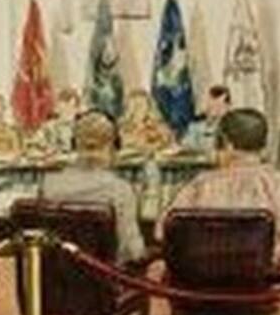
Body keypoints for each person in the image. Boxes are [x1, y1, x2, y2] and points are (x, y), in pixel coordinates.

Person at [157, 108, 280, 254]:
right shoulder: (278, 183)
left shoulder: (201, 184)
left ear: (228, 144)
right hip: (266, 267)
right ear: (264, 144)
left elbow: (160, 232)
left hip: (203, 267)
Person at [41, 110, 146, 263]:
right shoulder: (120, 190)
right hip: (104, 276)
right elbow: (133, 253)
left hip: (57, 276)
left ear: (74, 144)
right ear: (114, 146)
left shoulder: (49, 185)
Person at [119, 89, 173, 153]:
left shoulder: (155, 122)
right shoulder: (125, 127)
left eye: (143, 105)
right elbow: (127, 143)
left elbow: (167, 137)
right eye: (136, 105)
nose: (140, 109)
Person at [29, 88, 81, 154]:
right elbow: (35, 142)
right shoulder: (49, 127)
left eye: (71, 108)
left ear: (77, 110)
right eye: (64, 109)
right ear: (58, 108)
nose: (68, 112)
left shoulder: (81, 127)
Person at [181, 85, 231, 152]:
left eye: (219, 106)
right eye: (211, 105)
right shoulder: (196, 125)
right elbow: (186, 146)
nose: (214, 110)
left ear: (227, 107)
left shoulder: (233, 126)